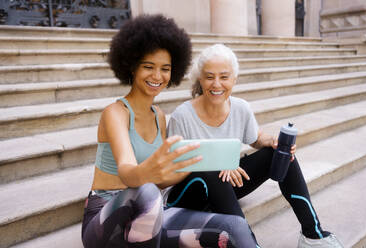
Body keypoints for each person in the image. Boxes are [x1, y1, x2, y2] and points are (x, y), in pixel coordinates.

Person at [81, 15, 259, 248]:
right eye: (148, 67)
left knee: (234, 227)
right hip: (107, 218)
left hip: (150, 217)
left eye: (165, 69)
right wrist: (151, 173)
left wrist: (209, 163)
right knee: (145, 191)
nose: (157, 76)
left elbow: (167, 179)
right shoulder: (115, 113)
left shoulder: (160, 117)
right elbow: (127, 173)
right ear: (131, 66)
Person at [166, 44, 344, 248]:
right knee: (210, 172)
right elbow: (173, 168)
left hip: (225, 187)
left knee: (279, 153)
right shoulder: (182, 116)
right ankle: (248, 244)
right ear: (200, 79)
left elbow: (256, 138)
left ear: (234, 79)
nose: (216, 84)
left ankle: (313, 235)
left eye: (224, 77)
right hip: (188, 195)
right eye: (209, 77)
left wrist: (272, 142)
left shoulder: (241, 108)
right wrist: (215, 165)